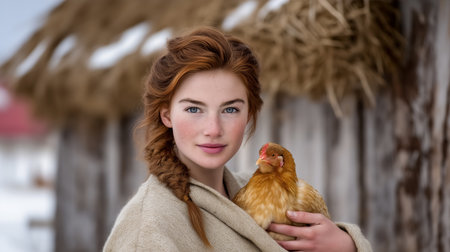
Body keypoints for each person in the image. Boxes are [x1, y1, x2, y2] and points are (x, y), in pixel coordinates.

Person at [103, 27, 372, 252]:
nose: (213, 128)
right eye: (194, 109)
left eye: (230, 109)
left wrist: (347, 246)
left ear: (249, 114)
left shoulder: (258, 191)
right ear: (167, 116)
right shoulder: (148, 229)